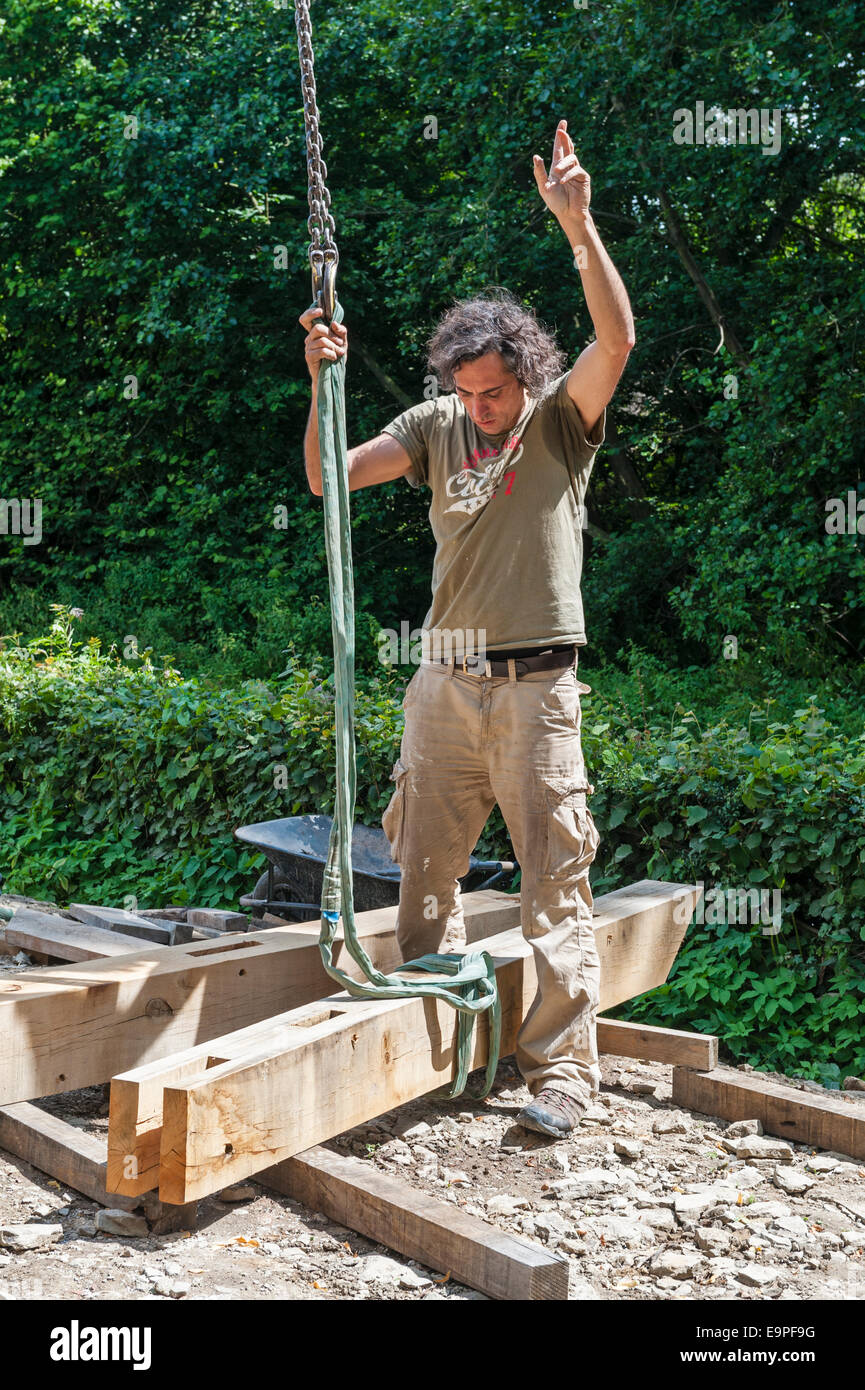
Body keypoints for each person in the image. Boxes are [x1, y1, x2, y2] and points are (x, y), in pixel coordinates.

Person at [300, 120, 635, 1137]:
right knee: (421, 880)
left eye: (494, 391)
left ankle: (563, 1078)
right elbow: (326, 480)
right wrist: (321, 380)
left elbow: (615, 340)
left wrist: (579, 229)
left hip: (538, 687)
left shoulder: (559, 422)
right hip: (442, 682)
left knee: (554, 886)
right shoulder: (432, 426)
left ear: (525, 374)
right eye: (468, 393)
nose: (481, 409)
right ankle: (426, 1040)